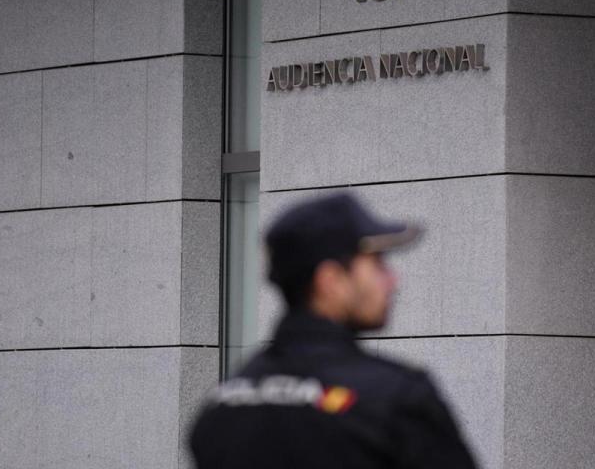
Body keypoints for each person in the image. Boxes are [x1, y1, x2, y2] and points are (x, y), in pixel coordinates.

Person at [189, 193, 478, 468]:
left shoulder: (221, 407)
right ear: (331, 280)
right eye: (377, 264)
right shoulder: (397, 400)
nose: (392, 280)